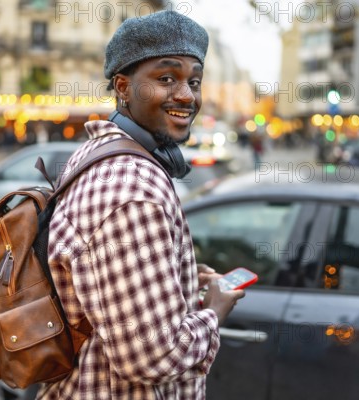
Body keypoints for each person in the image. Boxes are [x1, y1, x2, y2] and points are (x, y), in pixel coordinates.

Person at [40, 10, 244, 400]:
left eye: (194, 81)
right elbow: (152, 355)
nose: (186, 95)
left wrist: (174, 276)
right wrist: (214, 311)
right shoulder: (134, 189)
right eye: (166, 78)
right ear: (122, 86)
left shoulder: (99, 152)